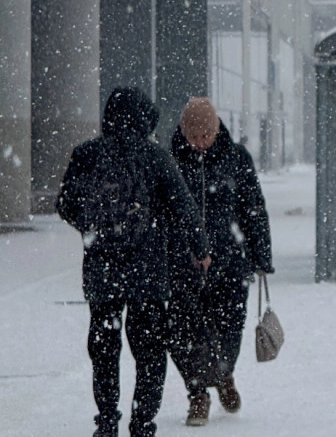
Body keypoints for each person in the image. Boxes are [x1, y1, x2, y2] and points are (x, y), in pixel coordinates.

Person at [56, 87, 211, 437]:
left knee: (105, 350)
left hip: (103, 270)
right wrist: (200, 248)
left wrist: (94, 227)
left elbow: (65, 203)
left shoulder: (87, 154)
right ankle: (142, 423)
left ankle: (107, 420)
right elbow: (183, 207)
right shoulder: (155, 157)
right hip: (148, 271)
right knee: (150, 352)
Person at [167, 97, 274, 426]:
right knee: (184, 332)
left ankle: (224, 375)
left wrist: (261, 255)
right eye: (194, 136)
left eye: (206, 136)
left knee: (229, 327)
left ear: (216, 130)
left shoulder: (236, 159)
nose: (200, 143)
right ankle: (197, 394)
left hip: (228, 261)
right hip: (183, 264)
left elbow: (253, 209)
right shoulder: (170, 161)